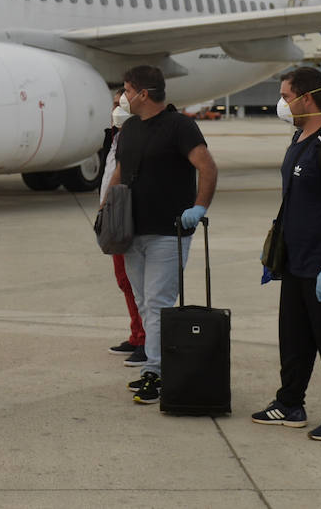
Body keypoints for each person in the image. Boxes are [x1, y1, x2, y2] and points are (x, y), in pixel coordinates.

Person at [250, 66, 321, 441]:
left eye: (286, 96)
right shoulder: (300, 139)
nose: (281, 103)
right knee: (294, 337)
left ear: (306, 98)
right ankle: (290, 402)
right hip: (296, 262)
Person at [104, 65, 217, 406]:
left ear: (144, 93)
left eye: (127, 90)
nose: (123, 97)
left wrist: (199, 207)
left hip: (169, 232)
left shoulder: (180, 126)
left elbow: (207, 167)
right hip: (131, 232)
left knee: (158, 303)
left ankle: (157, 371)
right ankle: (155, 365)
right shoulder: (130, 129)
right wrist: (106, 210)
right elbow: (120, 172)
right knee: (144, 302)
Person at [102, 90, 147, 367]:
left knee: (135, 281)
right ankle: (137, 333)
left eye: (120, 104)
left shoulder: (135, 139)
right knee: (124, 280)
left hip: (126, 219)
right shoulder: (117, 137)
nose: (115, 110)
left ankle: (146, 339)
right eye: (114, 105)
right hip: (114, 218)